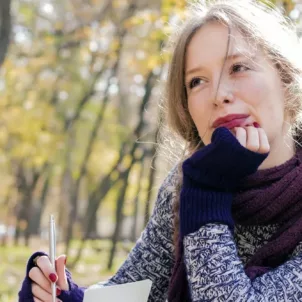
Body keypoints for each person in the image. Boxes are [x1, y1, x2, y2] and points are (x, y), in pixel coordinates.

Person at [18, 0, 302, 301]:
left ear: (286, 79)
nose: (219, 94)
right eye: (197, 81)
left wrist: (207, 194)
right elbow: (135, 291)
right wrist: (64, 296)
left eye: (238, 67)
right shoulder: (186, 185)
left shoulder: (200, 184)